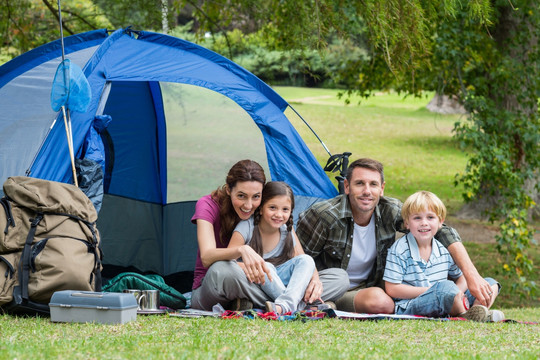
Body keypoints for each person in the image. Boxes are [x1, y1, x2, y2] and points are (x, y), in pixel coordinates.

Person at [296, 157, 496, 314]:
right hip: (334, 287)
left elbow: (441, 231)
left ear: (382, 189)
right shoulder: (323, 216)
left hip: (371, 287)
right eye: (359, 184)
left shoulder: (389, 211)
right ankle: (326, 304)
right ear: (347, 187)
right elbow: (297, 254)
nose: (367, 191)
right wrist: (314, 280)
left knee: (487, 283)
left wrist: (473, 276)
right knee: (382, 302)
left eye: (373, 184)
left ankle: (472, 309)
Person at [383, 191, 504, 321]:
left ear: (441, 222)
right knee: (445, 288)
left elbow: (462, 277)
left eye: (430, 217)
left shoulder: (443, 249)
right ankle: (465, 315)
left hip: (446, 299)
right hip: (412, 304)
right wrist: (434, 291)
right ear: (407, 223)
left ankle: (478, 311)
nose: (424, 223)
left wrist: (457, 293)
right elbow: (392, 288)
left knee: (490, 284)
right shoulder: (400, 249)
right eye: (417, 218)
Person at [190, 159, 274, 310]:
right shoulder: (207, 205)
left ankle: (249, 302)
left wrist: (313, 276)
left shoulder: (264, 207)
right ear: (228, 189)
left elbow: (291, 237)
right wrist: (241, 250)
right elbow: (207, 257)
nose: (248, 205)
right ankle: (288, 302)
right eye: (241, 196)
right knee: (223, 270)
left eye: (256, 196)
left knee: (330, 276)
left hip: (258, 282)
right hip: (211, 286)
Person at [228, 181, 318, 315]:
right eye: (272, 208)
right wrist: (256, 266)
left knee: (307, 261)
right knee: (266, 267)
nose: (279, 215)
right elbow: (228, 262)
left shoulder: (286, 229)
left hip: (280, 279)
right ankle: (297, 306)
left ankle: (284, 305)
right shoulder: (246, 227)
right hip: (254, 280)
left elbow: (301, 263)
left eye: (285, 210)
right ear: (261, 208)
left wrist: (315, 280)